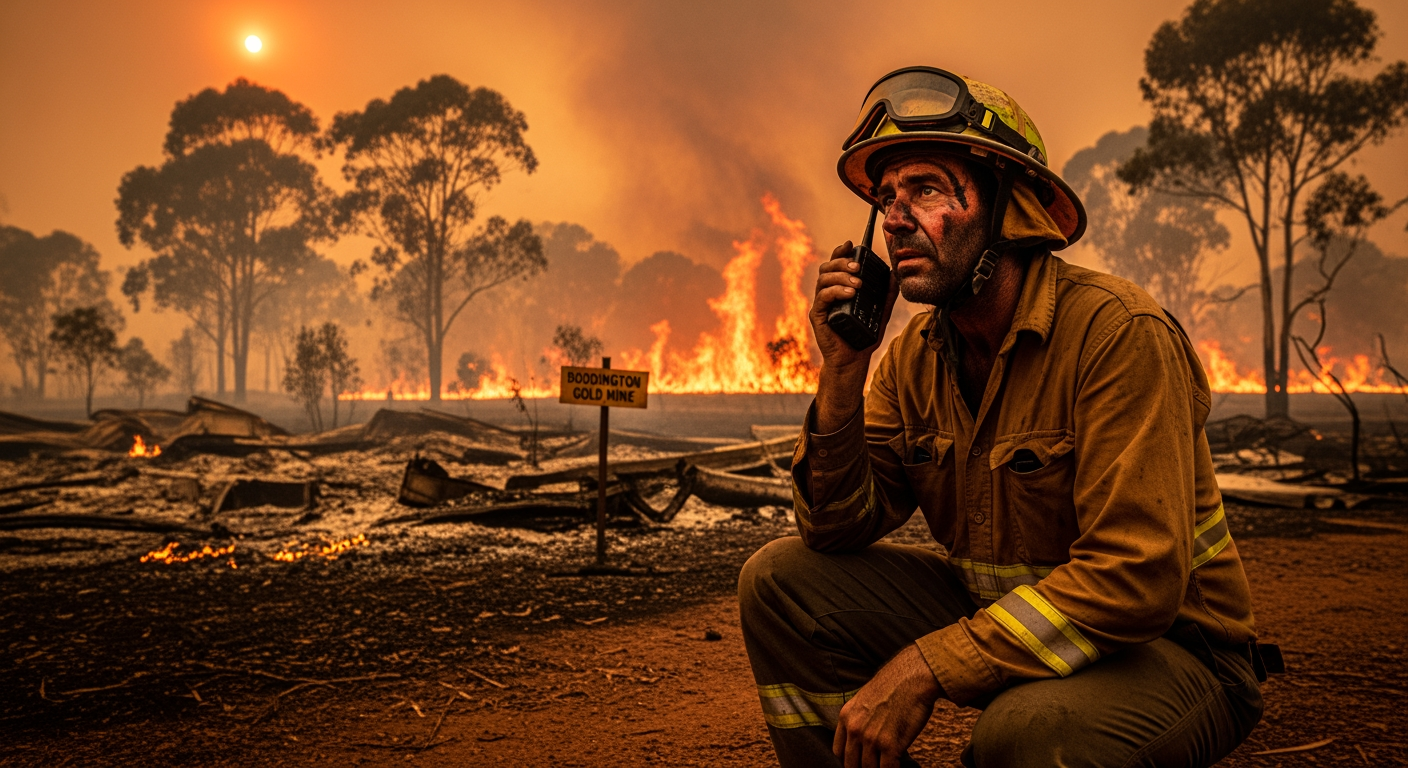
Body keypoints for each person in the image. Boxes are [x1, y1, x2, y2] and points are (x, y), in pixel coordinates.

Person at [738, 66, 1278, 768]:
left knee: (1026, 733)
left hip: (1170, 650)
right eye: (887, 197)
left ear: (1008, 206)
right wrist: (844, 367)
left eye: (926, 189)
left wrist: (927, 665)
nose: (896, 219)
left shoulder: (1118, 333)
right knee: (780, 582)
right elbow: (834, 527)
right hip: (1017, 628)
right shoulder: (912, 360)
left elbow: (1135, 579)